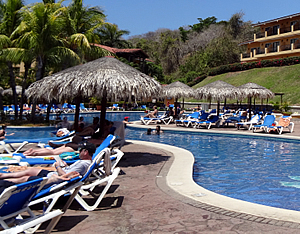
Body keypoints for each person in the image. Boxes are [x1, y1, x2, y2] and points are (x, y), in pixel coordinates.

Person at [0, 142, 96, 185]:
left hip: (52, 179)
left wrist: (58, 166)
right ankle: (3, 175)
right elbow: (71, 172)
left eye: (80, 150)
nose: (78, 152)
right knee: (31, 170)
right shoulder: (86, 162)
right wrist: (65, 166)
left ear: (86, 152)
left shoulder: (83, 164)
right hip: (52, 175)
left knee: (24, 178)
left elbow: (65, 176)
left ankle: (5, 183)